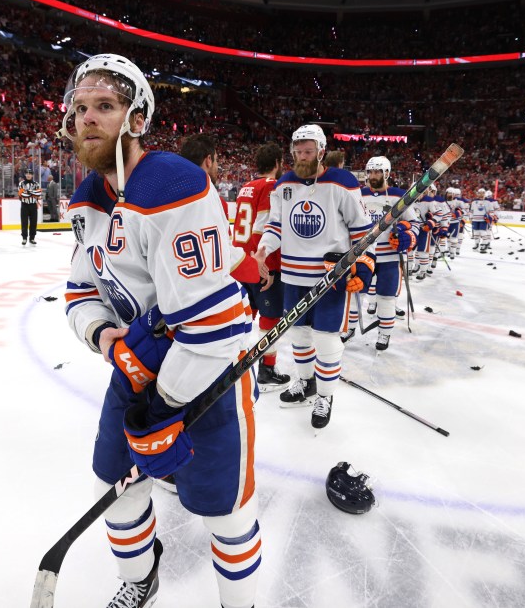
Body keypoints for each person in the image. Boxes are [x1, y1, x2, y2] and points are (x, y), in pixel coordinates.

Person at [61, 54, 260, 608]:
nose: (88, 119)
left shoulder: (173, 183)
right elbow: (79, 293)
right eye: (81, 109)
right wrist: (109, 342)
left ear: (137, 120)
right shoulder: (85, 199)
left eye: (105, 107)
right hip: (135, 372)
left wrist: (164, 404)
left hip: (209, 377)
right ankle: (142, 576)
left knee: (226, 509)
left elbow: (215, 329)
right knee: (113, 483)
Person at [253, 124, 368, 429]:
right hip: (293, 276)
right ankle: (307, 383)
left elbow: (361, 230)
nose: (302, 156)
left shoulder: (341, 182)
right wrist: (264, 248)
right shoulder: (283, 185)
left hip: (330, 277)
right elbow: (276, 225)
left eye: (308, 151)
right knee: (299, 336)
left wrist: (364, 266)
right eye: (297, 151)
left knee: (327, 340)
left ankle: (326, 395)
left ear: (320, 151)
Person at [231, 142, 291, 388]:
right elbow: (263, 227)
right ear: (277, 163)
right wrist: (262, 262)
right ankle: (267, 370)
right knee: (271, 318)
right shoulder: (270, 187)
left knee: (243, 317)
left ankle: (234, 365)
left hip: (241, 262)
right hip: (260, 263)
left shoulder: (245, 186)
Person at [359, 156, 420, 350]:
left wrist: (407, 236)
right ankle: (349, 328)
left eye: (377, 172)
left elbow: (415, 224)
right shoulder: (358, 194)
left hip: (389, 258)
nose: (373, 176)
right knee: (356, 294)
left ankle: (384, 334)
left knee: (386, 298)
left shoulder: (399, 196)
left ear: (387, 173)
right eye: (370, 172)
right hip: (363, 255)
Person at [18, 168, 41, 245]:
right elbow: (21, 195)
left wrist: (28, 192)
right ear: (25, 174)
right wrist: (32, 193)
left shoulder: (36, 184)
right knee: (24, 222)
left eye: (30, 174)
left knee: (33, 222)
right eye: (27, 173)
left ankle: (32, 238)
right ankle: (24, 238)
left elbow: (38, 194)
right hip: (24, 205)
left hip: (33, 205)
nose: (28, 175)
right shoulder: (21, 183)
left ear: (32, 175)